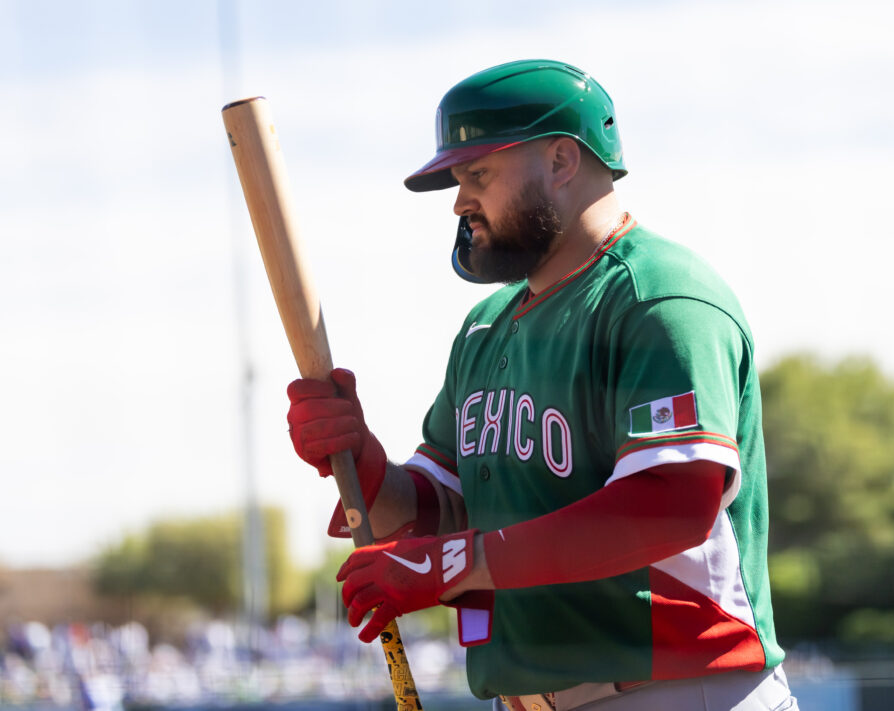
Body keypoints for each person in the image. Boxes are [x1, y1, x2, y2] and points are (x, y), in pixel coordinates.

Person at [286, 59, 798, 711]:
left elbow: (672, 504)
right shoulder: (486, 327)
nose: (460, 200)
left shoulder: (661, 297)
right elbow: (435, 510)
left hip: (676, 689)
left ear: (560, 160)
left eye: (478, 174)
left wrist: (450, 565)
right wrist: (361, 459)